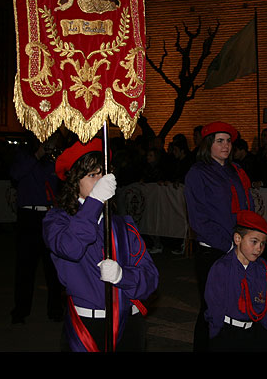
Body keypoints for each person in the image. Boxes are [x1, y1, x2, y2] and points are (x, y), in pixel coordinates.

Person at [43, 139, 159, 352]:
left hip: (128, 323)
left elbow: (151, 279)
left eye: (103, 174)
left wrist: (123, 276)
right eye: (92, 175)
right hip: (88, 326)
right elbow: (71, 248)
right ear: (74, 181)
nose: (101, 180)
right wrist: (94, 202)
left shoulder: (123, 225)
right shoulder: (57, 221)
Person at [184, 121, 255, 351]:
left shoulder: (236, 171)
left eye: (228, 141)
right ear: (208, 144)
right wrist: (228, 245)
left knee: (238, 308)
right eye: (219, 141)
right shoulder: (198, 173)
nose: (226, 145)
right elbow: (198, 219)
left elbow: (248, 207)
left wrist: (250, 240)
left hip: (240, 250)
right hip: (214, 251)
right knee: (212, 310)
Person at [9, 134, 64, 324]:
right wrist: (37, 156)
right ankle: (20, 311)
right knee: (25, 267)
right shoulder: (23, 156)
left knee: (54, 267)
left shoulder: (53, 159)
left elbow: (63, 181)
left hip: (50, 216)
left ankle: (56, 310)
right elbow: (16, 174)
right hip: (29, 217)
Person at [204, 210, 267, 352]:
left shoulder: (262, 269)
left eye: (262, 243)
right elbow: (214, 303)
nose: (258, 248)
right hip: (227, 333)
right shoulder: (222, 267)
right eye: (254, 241)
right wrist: (216, 332)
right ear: (238, 239)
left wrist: (266, 329)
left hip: (254, 331)